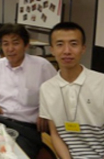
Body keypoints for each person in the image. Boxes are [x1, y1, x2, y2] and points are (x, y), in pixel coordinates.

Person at [0, 23, 57, 159]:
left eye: (15, 43)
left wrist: (46, 112)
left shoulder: (41, 66)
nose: (10, 49)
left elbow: (58, 95)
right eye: (5, 44)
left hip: (27, 129)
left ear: (26, 45)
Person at [40, 22, 104, 159]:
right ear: (52, 49)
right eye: (60, 44)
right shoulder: (46, 88)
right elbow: (55, 134)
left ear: (83, 49)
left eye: (74, 44)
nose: (67, 51)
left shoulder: (101, 83)